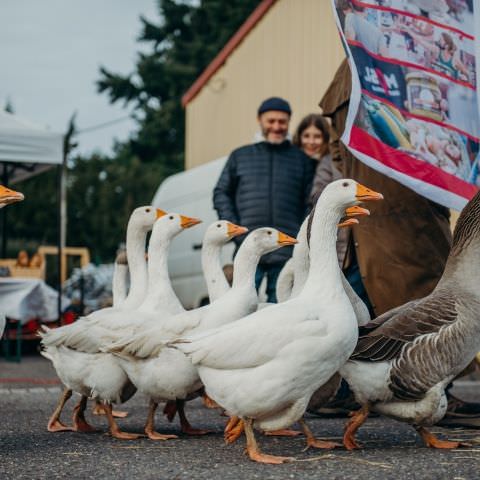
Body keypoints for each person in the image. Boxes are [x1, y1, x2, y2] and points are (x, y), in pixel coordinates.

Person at [316, 58, 479, 420]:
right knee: (426, 299)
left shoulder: (348, 75)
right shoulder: (402, 65)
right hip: (407, 204)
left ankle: (349, 390)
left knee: (363, 303)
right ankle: (431, 390)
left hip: (367, 209)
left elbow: (337, 151)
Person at [213, 97, 315, 303]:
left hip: (287, 251)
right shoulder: (239, 156)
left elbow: (310, 202)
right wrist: (237, 233)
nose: (276, 127)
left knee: (281, 312)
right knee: (238, 308)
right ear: (260, 120)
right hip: (247, 249)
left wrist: (299, 236)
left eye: (282, 122)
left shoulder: (301, 160)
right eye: (271, 121)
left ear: (288, 122)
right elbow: (221, 193)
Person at [293, 113, 348, 268]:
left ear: (326, 138)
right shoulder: (295, 163)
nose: (311, 142)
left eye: (317, 136)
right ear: (299, 137)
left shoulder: (331, 163)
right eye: (306, 136)